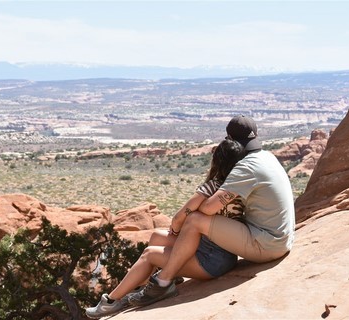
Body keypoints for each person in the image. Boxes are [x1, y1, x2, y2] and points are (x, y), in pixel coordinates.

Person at [128, 115, 295, 307]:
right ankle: (173, 273)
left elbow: (208, 208)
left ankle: (163, 282)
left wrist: (198, 198)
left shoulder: (246, 167)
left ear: (230, 139)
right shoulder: (267, 156)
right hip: (280, 238)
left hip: (266, 245)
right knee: (185, 227)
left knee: (195, 220)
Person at [85, 139, 247, 319]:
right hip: (223, 252)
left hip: (211, 261)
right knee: (156, 236)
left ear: (217, 161)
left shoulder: (211, 187)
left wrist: (177, 232)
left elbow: (179, 218)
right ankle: (144, 288)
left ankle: (111, 302)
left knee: (149, 254)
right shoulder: (240, 187)